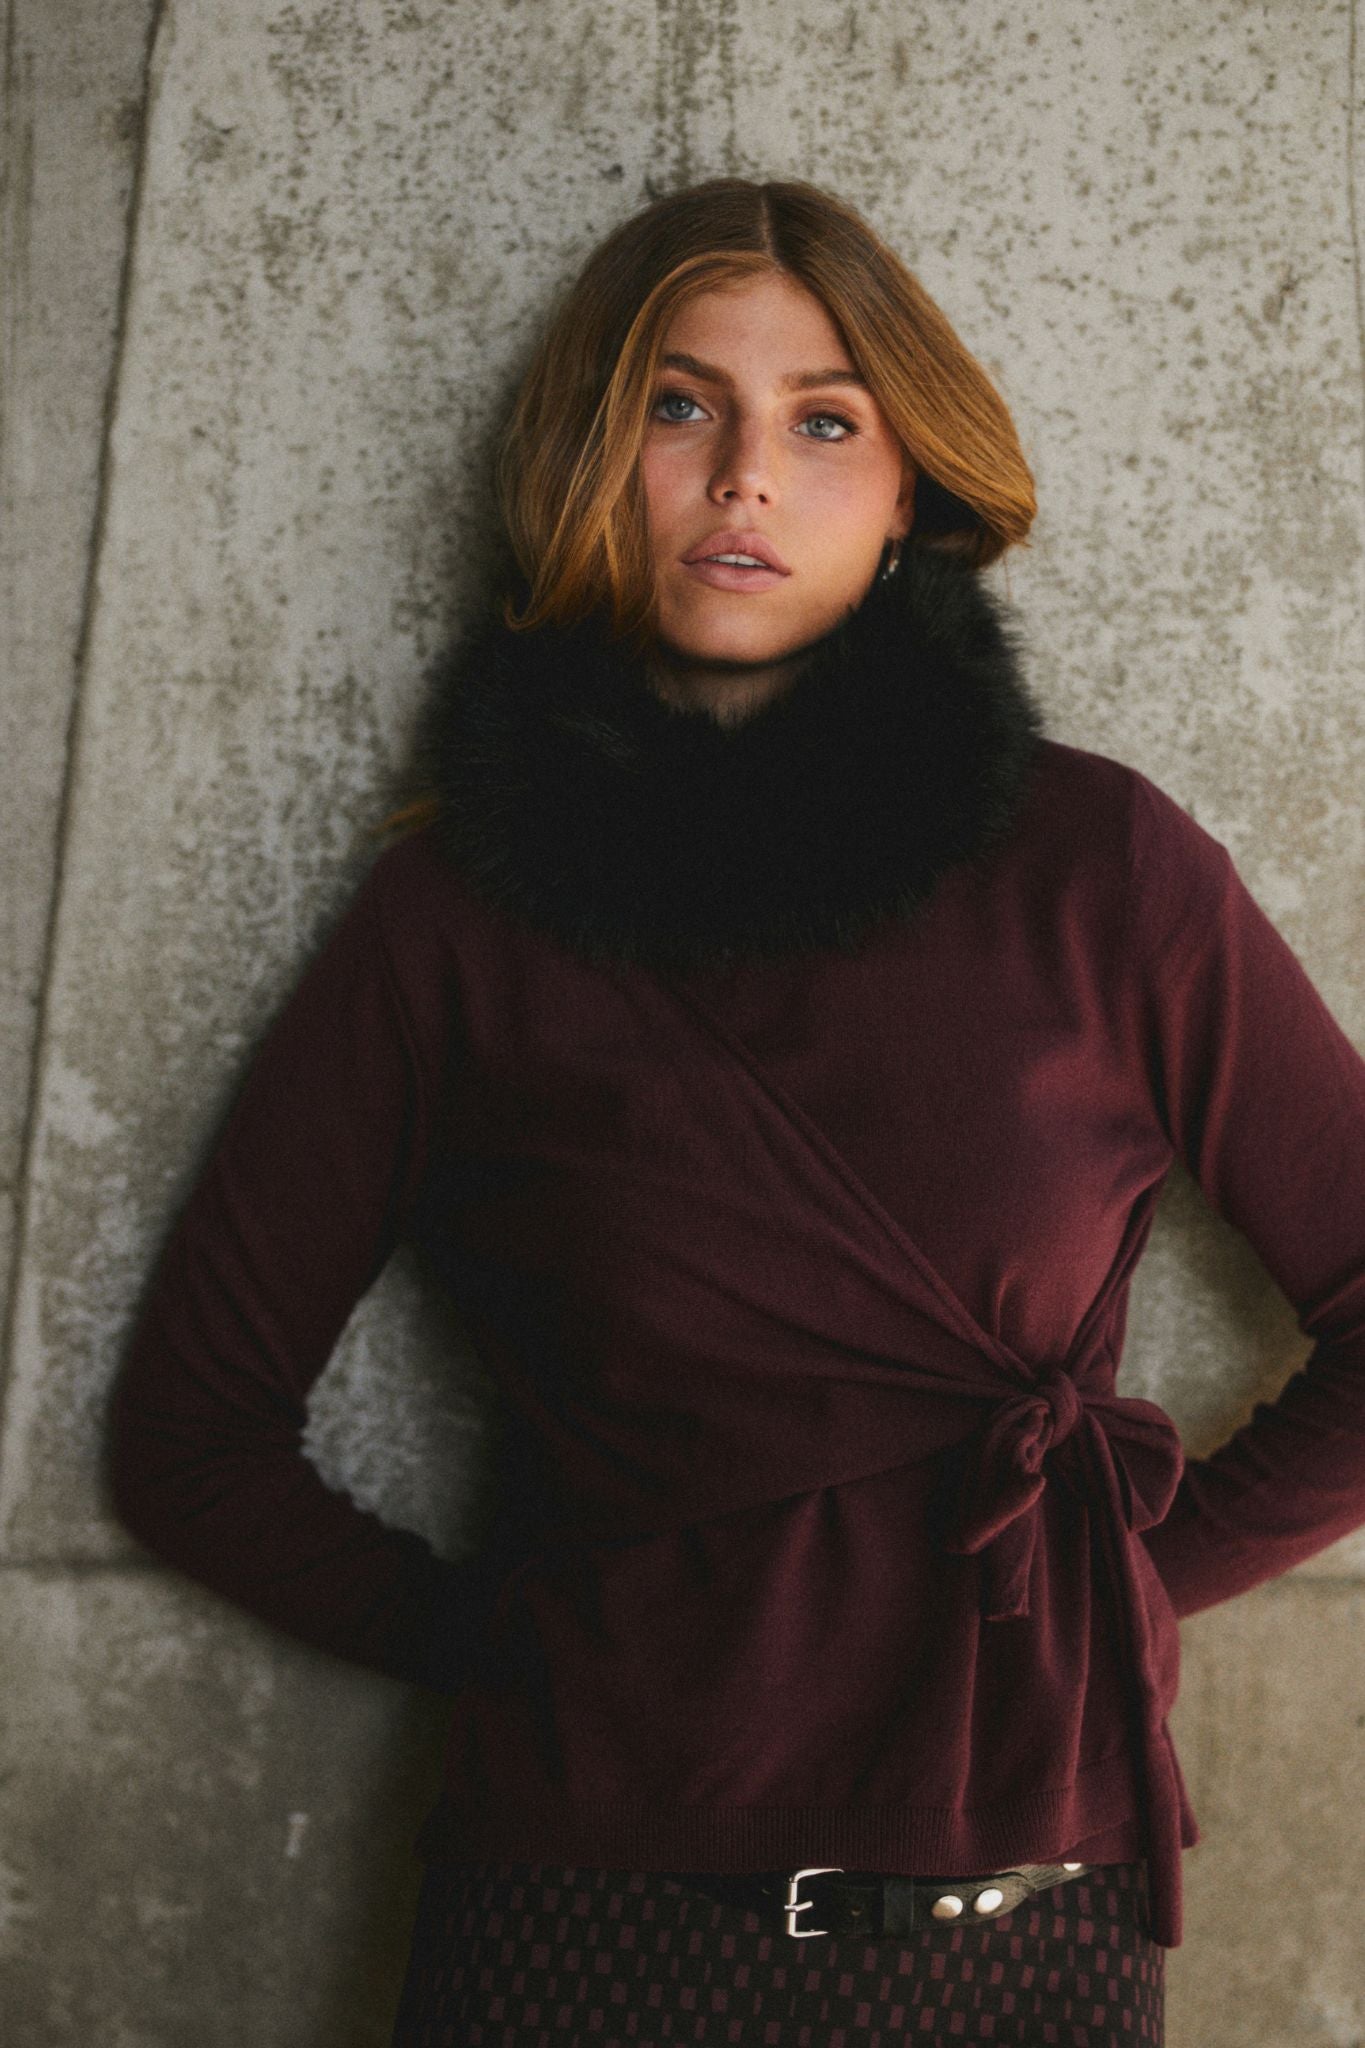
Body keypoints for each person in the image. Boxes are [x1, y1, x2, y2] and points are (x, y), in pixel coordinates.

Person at [109, 177, 1365, 2048]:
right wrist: (523, 1649)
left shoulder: (1103, 869)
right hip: (571, 1921)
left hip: (1022, 1931)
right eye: (679, 405)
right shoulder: (454, 919)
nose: (745, 476)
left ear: (911, 489)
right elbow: (189, 1440)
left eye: (824, 420)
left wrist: (1109, 1597)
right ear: (589, 455)